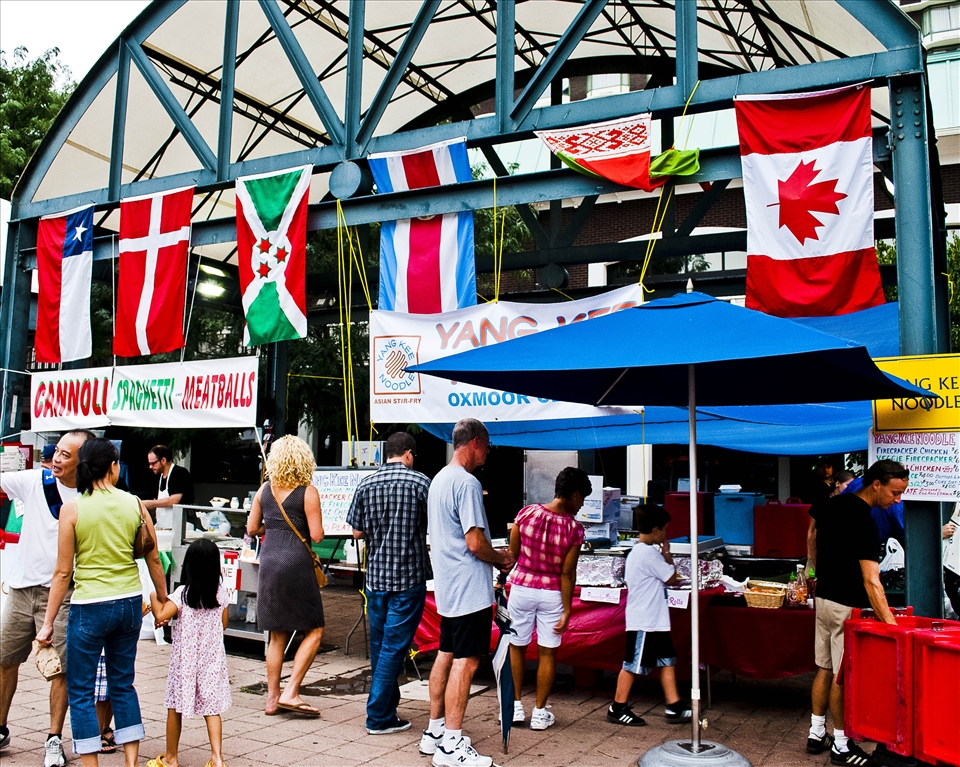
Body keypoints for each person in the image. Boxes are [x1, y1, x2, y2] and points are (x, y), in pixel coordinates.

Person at [36, 437, 168, 767]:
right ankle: (132, 762)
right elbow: (153, 557)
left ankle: (91, 764)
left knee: (80, 690)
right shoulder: (135, 504)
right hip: (127, 605)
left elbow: (63, 572)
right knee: (123, 685)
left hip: (88, 608)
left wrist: (48, 622)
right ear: (112, 467)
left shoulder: (72, 509)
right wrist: (163, 600)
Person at [421, 418, 515, 767]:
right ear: (475, 442)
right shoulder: (468, 483)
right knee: (467, 660)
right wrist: (501, 557)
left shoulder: (439, 480)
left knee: (446, 652)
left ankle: (435, 731)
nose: (489, 452)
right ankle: (452, 745)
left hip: (448, 583)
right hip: (469, 587)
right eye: (487, 445)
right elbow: (475, 543)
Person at [0, 428, 93, 766]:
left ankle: (54, 738)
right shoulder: (33, 481)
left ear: (82, 461)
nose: (56, 457)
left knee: (61, 670)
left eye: (66, 454)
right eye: (56, 451)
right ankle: (0, 727)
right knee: (5, 659)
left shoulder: (89, 497)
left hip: (65, 594)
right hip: (22, 589)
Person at [806, 459, 908, 767]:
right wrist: (893, 626)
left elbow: (812, 534)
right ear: (876, 485)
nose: (897, 500)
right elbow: (871, 580)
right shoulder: (866, 521)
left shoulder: (832, 504)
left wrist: (812, 568)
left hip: (823, 598)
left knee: (824, 668)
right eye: (895, 492)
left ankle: (815, 732)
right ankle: (840, 743)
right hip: (845, 604)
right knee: (840, 675)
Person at [346, 431, 431, 735]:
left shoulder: (366, 483)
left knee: (382, 646)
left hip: (376, 577)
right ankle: (378, 716)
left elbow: (356, 532)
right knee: (394, 649)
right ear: (408, 453)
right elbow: (432, 526)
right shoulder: (421, 483)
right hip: (408, 578)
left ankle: (387, 711)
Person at [246, 435, 325, 718]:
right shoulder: (308, 492)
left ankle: (272, 699)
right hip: (296, 563)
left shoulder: (264, 490)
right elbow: (316, 535)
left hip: (269, 561)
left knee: (277, 635)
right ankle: (292, 690)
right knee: (314, 629)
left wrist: (274, 529)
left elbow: (252, 528)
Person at [506, 467, 589, 730]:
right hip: (552, 593)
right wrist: (566, 610)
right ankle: (540, 712)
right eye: (582, 499)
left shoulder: (526, 513)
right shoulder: (574, 529)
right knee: (547, 654)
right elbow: (568, 572)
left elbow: (512, 555)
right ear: (573, 494)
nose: (581, 505)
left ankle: (515, 707)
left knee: (516, 647)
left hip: (521, 588)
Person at [148, 538, 231, 767]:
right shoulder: (220, 593)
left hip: (184, 662)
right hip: (212, 660)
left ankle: (171, 758)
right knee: (211, 708)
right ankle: (217, 758)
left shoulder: (183, 593)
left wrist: (154, 597)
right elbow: (223, 624)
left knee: (174, 706)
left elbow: (162, 614)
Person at [607, 504, 691, 727]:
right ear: (655, 530)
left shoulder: (640, 552)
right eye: (664, 530)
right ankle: (618, 706)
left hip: (655, 620)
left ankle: (674, 705)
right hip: (645, 621)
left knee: (667, 661)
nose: (665, 535)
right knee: (632, 664)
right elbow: (671, 577)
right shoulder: (647, 554)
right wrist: (668, 554)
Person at [142, 445, 197, 528]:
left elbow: (174, 500)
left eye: (153, 463)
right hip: (164, 525)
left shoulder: (180, 473)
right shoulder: (159, 477)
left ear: (163, 460)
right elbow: (157, 501)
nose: (150, 467)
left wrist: (149, 503)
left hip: (182, 526)